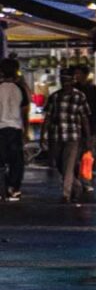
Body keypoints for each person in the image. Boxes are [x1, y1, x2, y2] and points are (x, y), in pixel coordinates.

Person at [42, 68, 91, 202]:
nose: (65, 84)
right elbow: (48, 117)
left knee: (68, 165)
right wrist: (43, 135)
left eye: (68, 81)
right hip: (56, 136)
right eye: (63, 81)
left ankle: (66, 194)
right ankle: (77, 185)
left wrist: (87, 138)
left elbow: (84, 118)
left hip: (73, 136)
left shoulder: (79, 97)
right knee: (59, 165)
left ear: (72, 81)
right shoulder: (54, 97)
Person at [0, 58, 28, 201]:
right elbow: (25, 112)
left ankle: (2, 188)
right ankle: (13, 188)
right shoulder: (20, 88)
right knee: (16, 162)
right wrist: (26, 131)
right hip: (15, 129)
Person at [73, 64, 96, 185]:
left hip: (91, 123)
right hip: (76, 125)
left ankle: (88, 172)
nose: (77, 76)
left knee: (89, 150)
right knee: (77, 150)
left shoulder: (93, 89)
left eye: (79, 73)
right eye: (76, 74)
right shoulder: (74, 89)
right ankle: (79, 173)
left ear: (85, 75)